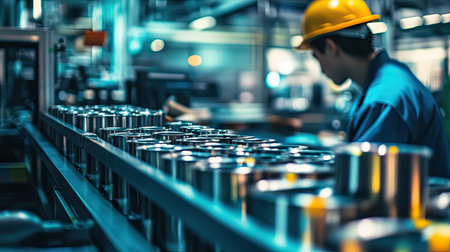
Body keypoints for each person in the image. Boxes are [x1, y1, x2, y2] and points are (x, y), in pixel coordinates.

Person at [298, 0, 450, 177]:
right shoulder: (388, 78)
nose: (321, 70)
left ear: (331, 48)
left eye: (317, 57)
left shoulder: (384, 100)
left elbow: (363, 179)